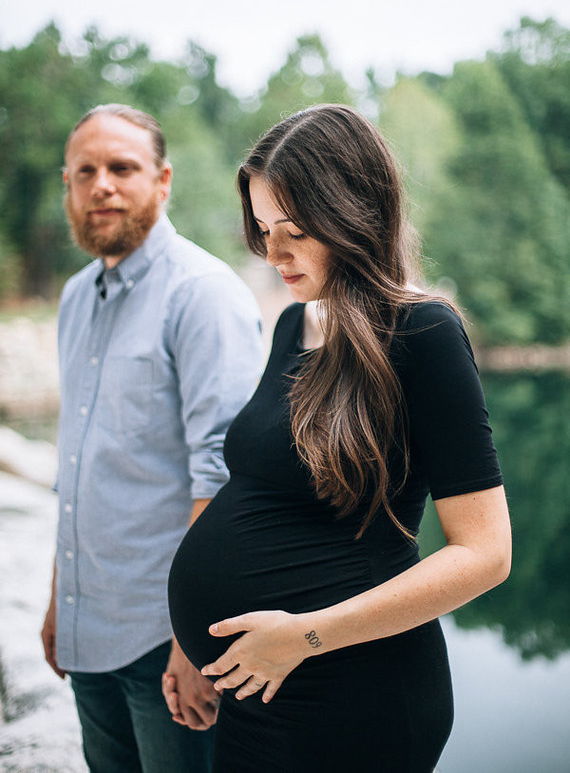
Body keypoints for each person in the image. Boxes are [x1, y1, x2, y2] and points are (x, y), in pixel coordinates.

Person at [167, 104, 512, 772]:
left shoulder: (424, 333)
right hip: (257, 690)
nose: (272, 253)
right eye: (263, 229)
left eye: (292, 231)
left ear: (353, 215)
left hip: (353, 695)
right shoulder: (296, 327)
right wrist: (191, 643)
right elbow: (259, 494)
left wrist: (303, 635)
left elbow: (485, 552)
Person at [40, 103, 264, 773]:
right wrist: (60, 597)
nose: (101, 185)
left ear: (162, 181)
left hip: (165, 642)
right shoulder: (78, 297)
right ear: (68, 188)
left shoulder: (202, 294)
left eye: (122, 167)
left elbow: (224, 476)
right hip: (89, 631)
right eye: (85, 172)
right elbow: (79, 464)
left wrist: (192, 639)